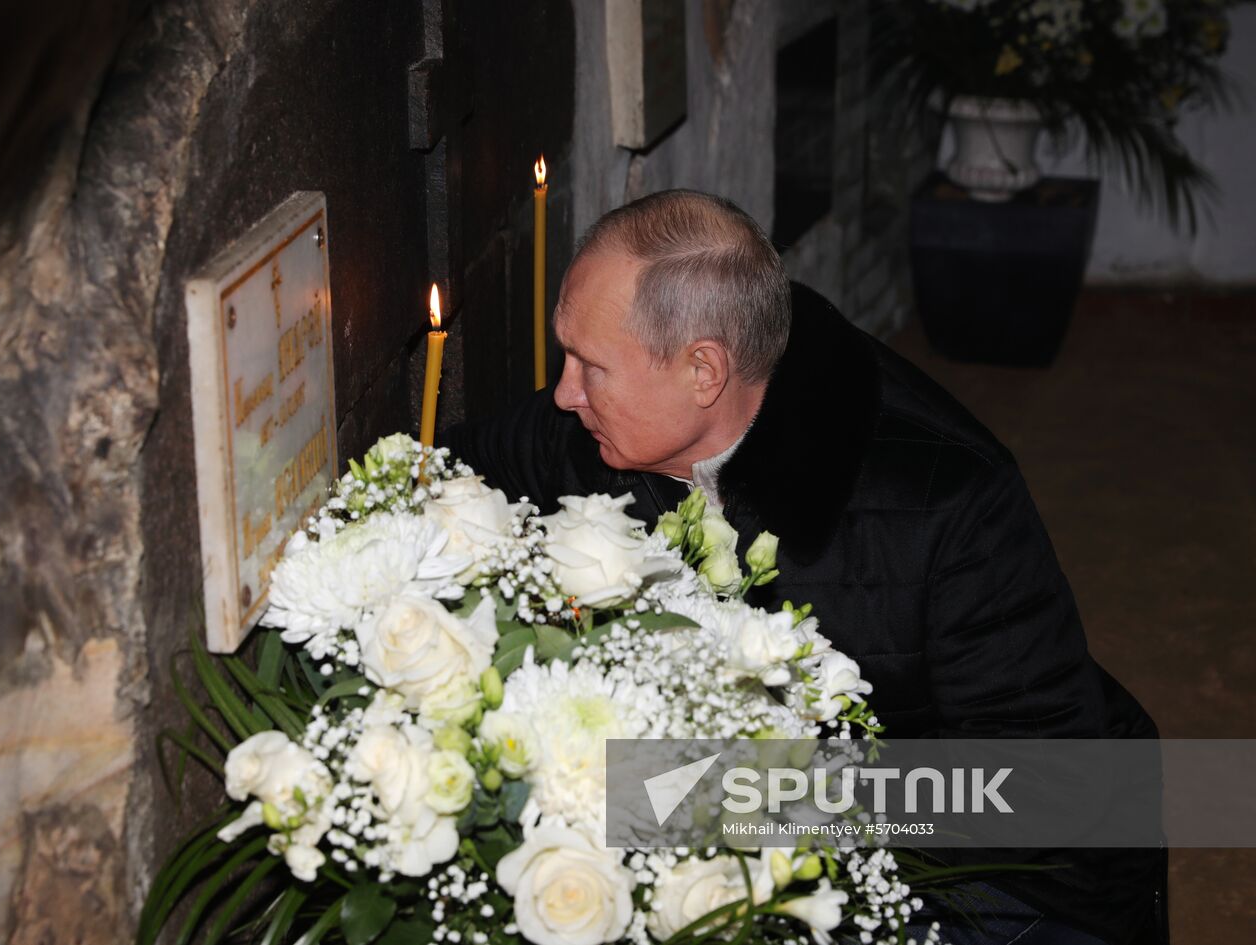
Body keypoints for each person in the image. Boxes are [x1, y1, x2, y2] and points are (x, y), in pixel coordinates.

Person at [440, 189, 1165, 945]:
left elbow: (1038, 784)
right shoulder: (589, 428)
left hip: (1001, 875)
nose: (564, 392)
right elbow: (455, 471)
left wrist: (735, 794)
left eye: (591, 366)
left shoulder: (948, 501)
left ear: (703, 371)